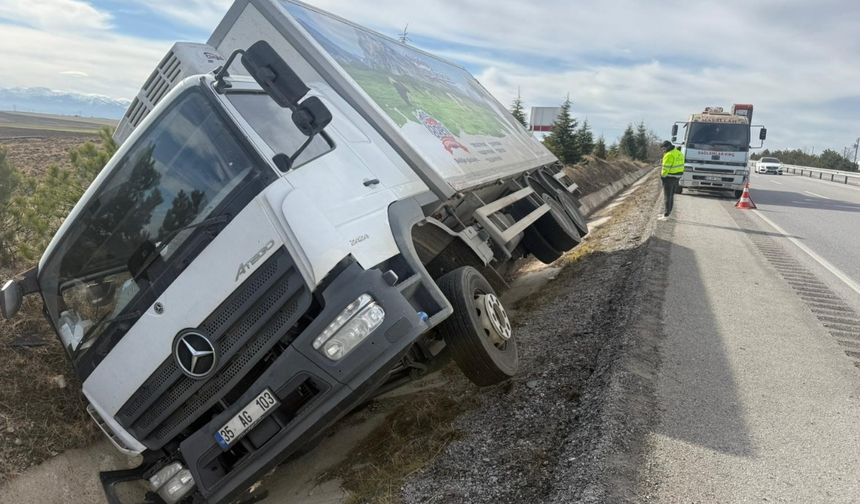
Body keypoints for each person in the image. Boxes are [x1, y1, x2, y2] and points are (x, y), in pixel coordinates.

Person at [659, 140, 684, 219]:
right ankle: (668, 213)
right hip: (677, 177)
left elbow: (665, 168)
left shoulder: (669, 155)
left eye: (664, 149)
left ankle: (666, 215)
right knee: (671, 195)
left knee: (667, 196)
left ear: (668, 147)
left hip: (669, 177)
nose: (663, 151)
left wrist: (663, 177)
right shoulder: (679, 153)